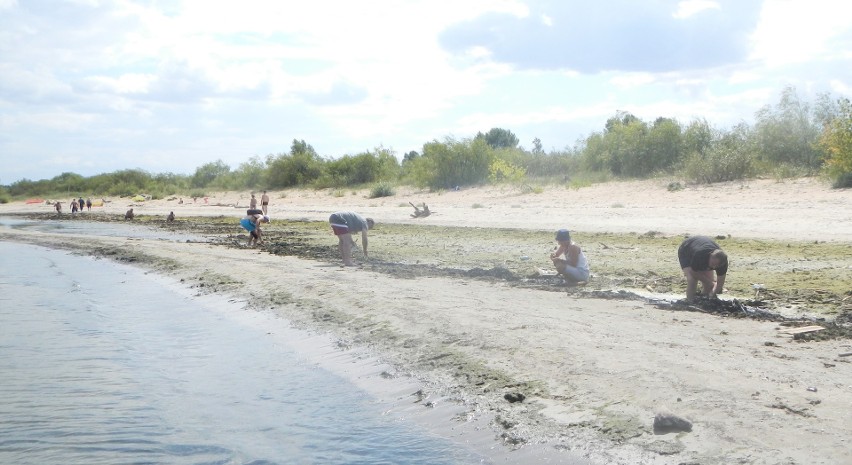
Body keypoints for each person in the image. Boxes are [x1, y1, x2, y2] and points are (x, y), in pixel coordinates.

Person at [678, 235, 728, 300]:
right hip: (686, 250)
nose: (714, 267)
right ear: (710, 256)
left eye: (716, 266)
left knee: (708, 283)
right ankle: (690, 301)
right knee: (692, 279)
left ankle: (704, 298)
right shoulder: (700, 254)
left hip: (702, 249)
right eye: (713, 264)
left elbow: (720, 283)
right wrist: (711, 283)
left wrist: (712, 294)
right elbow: (694, 272)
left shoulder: (723, 263)